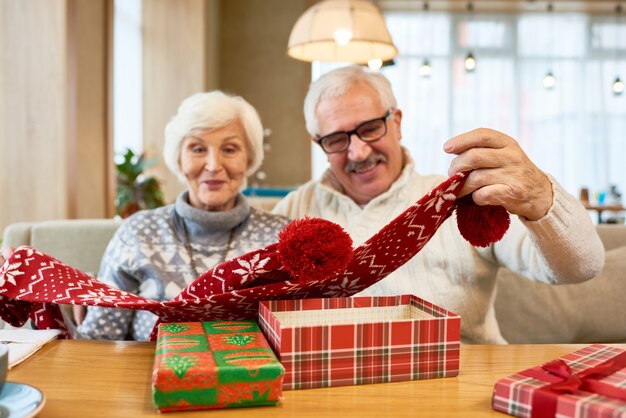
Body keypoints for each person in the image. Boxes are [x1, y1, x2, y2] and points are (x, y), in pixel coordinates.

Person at [272, 65, 605, 344]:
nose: (358, 152)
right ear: (319, 143)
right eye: (336, 139)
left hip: (461, 388)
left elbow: (581, 267)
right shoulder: (294, 209)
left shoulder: (461, 198)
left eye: (370, 128)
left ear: (397, 122)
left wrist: (538, 196)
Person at [71, 91, 289, 340]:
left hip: (256, 376)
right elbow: (99, 340)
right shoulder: (138, 232)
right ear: (179, 159)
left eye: (229, 149)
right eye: (197, 149)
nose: (213, 165)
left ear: (249, 158)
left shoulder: (280, 238)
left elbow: (297, 332)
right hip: (149, 376)